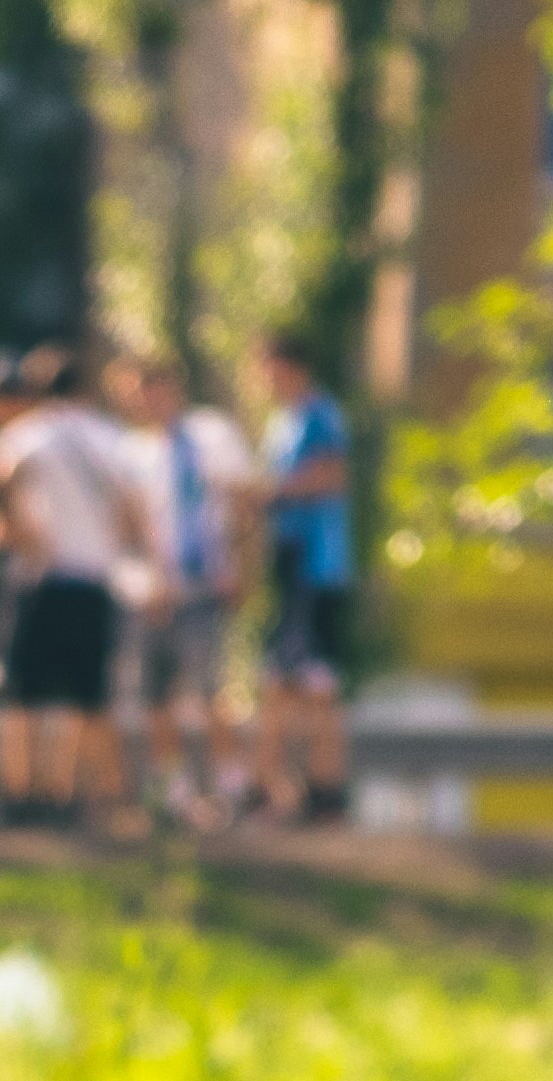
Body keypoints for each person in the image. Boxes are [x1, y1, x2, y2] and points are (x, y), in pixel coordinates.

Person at [0, 345, 159, 829]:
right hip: (95, 578)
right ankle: (91, 796)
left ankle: (18, 793)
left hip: (43, 576)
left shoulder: (31, 432)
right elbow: (133, 508)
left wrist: (23, 531)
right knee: (90, 696)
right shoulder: (111, 437)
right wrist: (130, 550)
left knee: (20, 694)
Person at [127, 351, 256, 821]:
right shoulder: (134, 451)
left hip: (204, 583)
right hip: (153, 592)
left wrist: (241, 568)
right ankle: (173, 787)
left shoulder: (212, 435)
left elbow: (243, 504)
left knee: (208, 689)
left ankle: (229, 785)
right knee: (155, 694)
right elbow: (132, 526)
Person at [254, 337, 360, 824]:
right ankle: (291, 789)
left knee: (315, 682)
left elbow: (332, 477)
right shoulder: (282, 422)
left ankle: (324, 789)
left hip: (317, 566)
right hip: (289, 563)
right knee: (287, 681)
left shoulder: (321, 415)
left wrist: (267, 493)